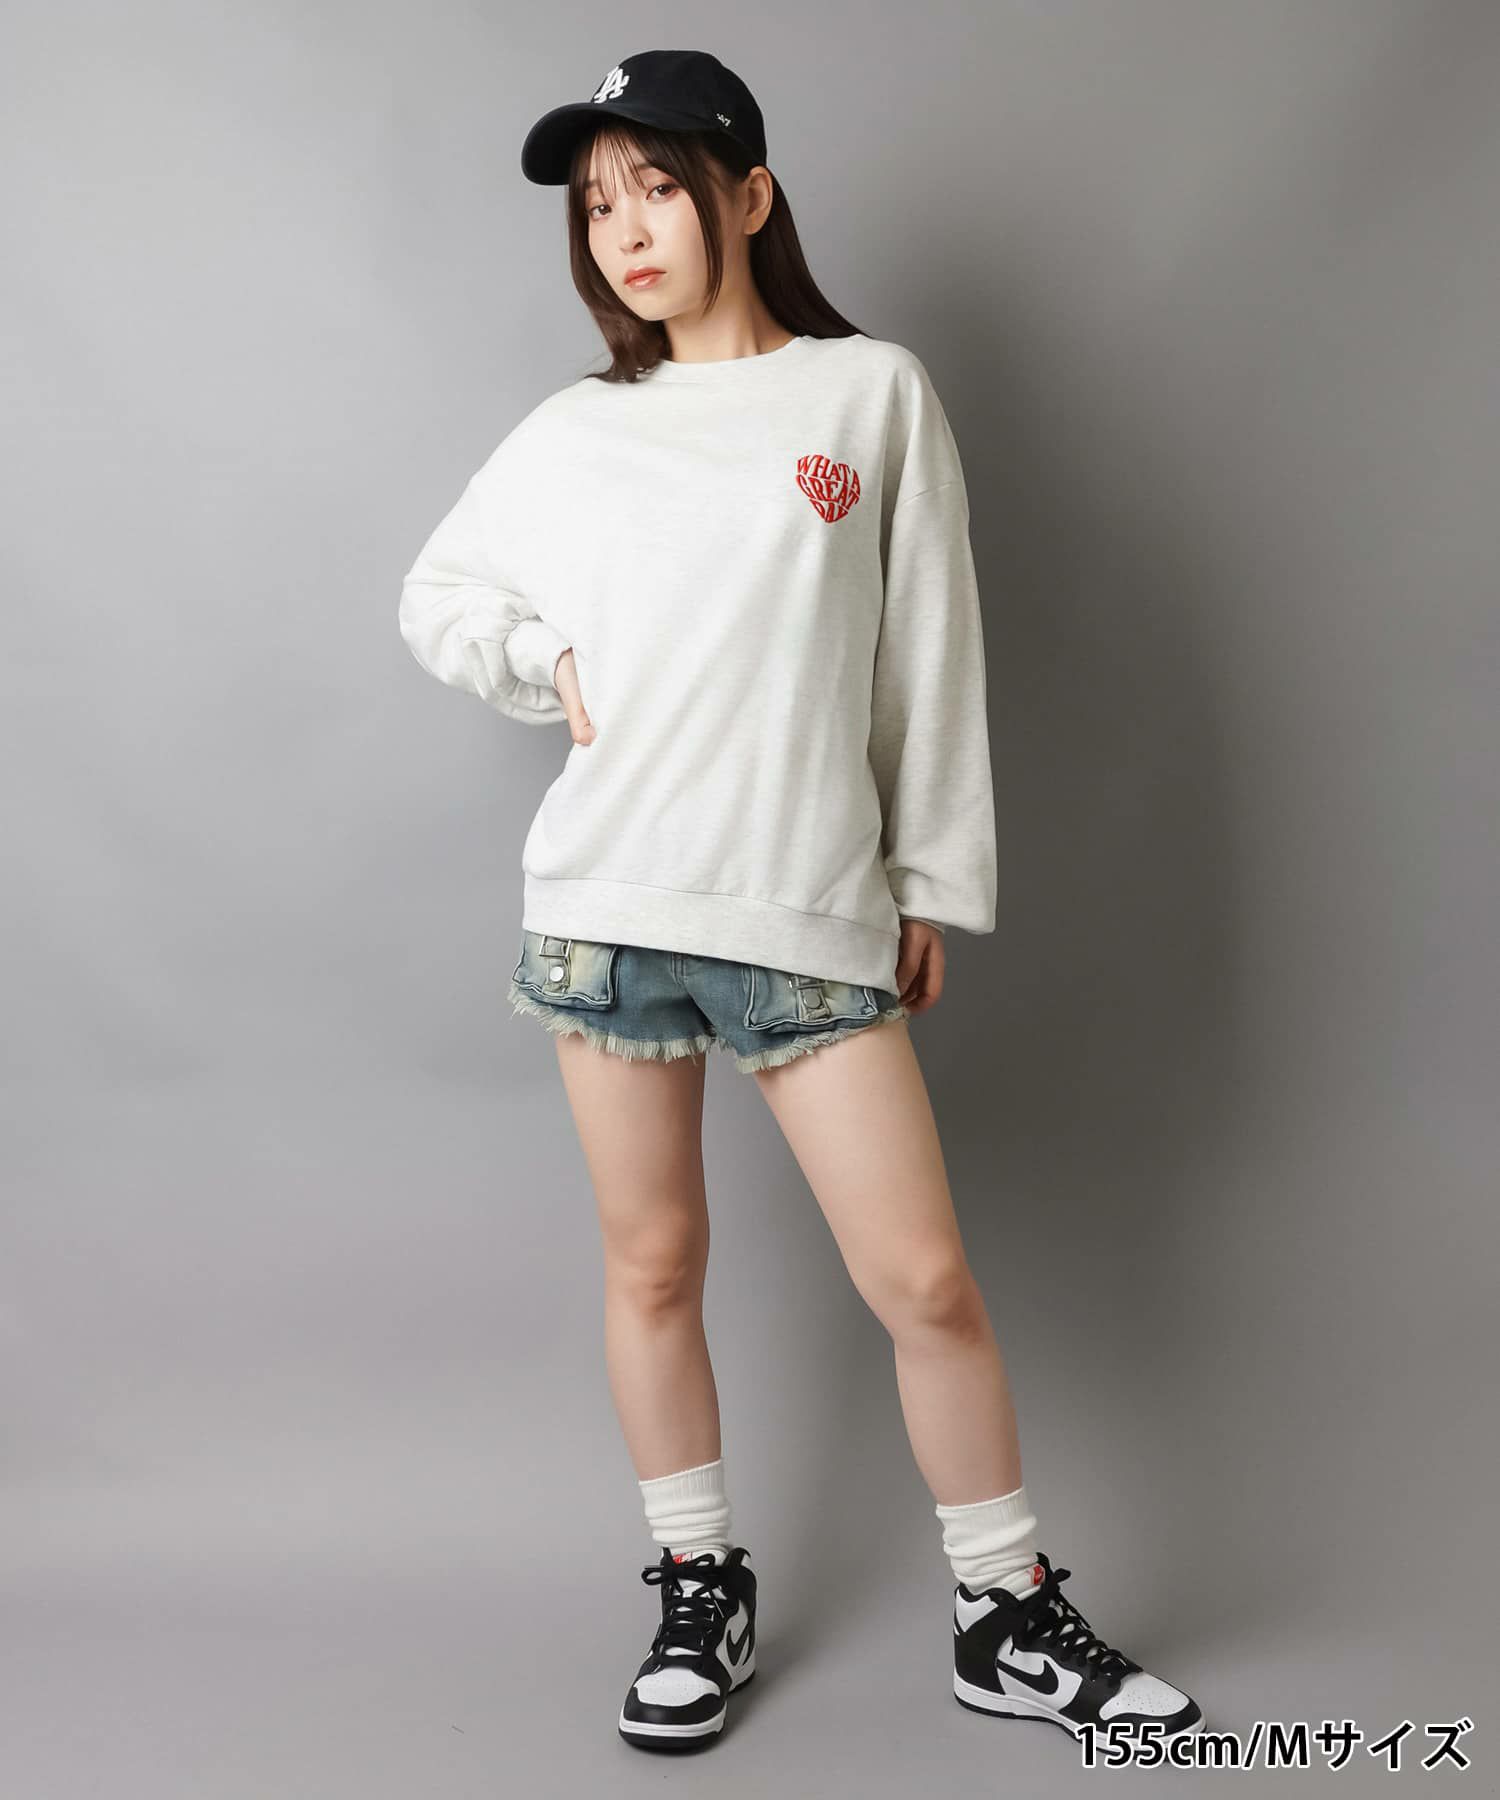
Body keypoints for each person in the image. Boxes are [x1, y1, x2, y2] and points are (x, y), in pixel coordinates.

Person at [398, 46, 1203, 1756]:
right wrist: (543, 660)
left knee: (924, 1282)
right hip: (608, 907)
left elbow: (930, 654)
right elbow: (441, 595)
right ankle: (701, 1587)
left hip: (802, 905)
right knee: (654, 1267)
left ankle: (1004, 1610)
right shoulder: (574, 432)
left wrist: (927, 881)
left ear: (749, 195)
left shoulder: (868, 396)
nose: (624, 231)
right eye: (595, 205)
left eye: (657, 189)